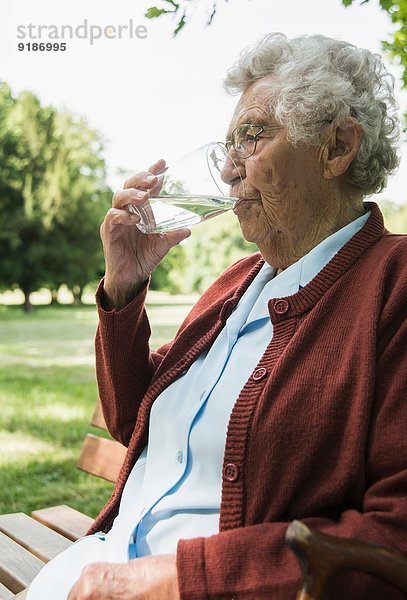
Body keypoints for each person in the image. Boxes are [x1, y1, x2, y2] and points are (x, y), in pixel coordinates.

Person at [27, 33, 406, 600]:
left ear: (337, 147)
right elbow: (130, 422)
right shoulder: (238, 280)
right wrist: (123, 290)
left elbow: (394, 538)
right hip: (96, 565)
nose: (228, 172)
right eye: (227, 145)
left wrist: (185, 578)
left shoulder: (394, 284)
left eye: (252, 138)